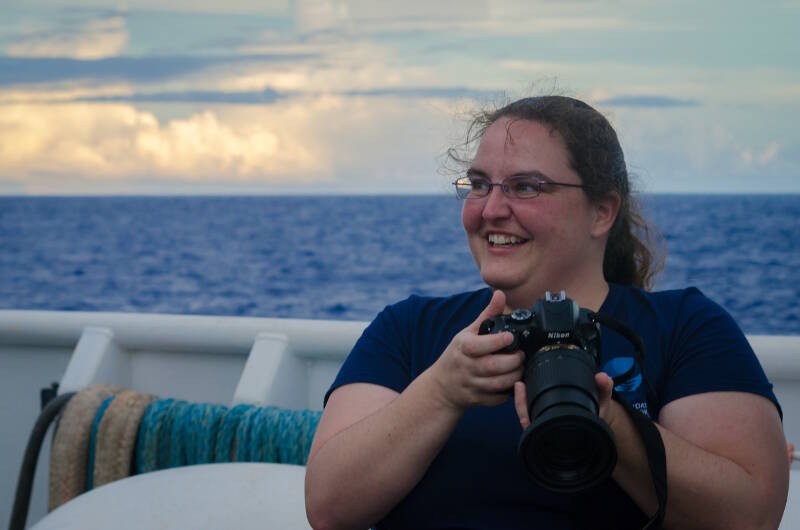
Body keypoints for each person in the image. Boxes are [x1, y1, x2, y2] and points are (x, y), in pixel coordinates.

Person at [304, 96, 789, 529]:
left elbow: (749, 514)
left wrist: (608, 423)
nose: (490, 209)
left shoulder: (684, 327)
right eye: (478, 185)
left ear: (602, 211)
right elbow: (328, 508)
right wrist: (442, 391)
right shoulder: (410, 330)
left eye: (525, 187)